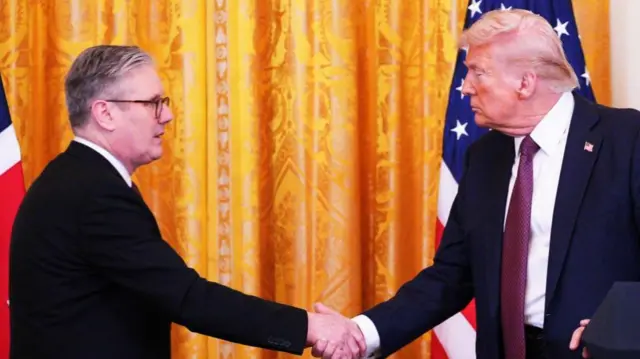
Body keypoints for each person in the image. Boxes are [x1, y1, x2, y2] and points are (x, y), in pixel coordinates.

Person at [311, 8, 640, 359]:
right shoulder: (484, 157)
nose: (465, 87)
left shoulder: (626, 140)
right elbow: (452, 275)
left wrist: (623, 325)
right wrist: (361, 332)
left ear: (525, 83)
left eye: (477, 72)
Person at [8, 45, 365, 359]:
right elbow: (188, 298)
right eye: (152, 103)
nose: (167, 115)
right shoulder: (93, 193)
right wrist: (310, 327)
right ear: (105, 113)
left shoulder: (78, 179)